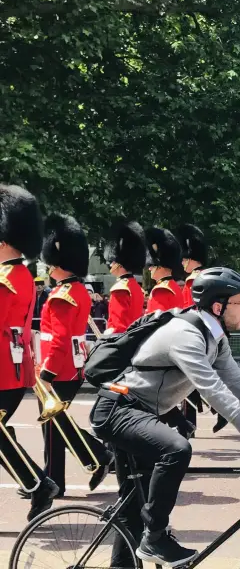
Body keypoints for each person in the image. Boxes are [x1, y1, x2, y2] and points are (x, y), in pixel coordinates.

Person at [90, 267, 240, 566]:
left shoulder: (215, 337)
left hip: (140, 413)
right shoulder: (186, 335)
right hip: (119, 409)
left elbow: (237, 384)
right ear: (218, 306)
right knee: (177, 449)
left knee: (133, 508)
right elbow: (211, 388)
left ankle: (134, 551)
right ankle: (156, 537)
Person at [39, 213, 114, 497]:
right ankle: (55, 479)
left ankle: (98, 455)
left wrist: (45, 374)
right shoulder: (78, 290)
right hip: (70, 366)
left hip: (58, 368)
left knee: (56, 426)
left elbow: (57, 340)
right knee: (54, 430)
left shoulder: (61, 295)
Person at [0, 184, 59, 520]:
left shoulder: (8, 277)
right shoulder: (20, 275)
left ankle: (37, 483)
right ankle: (37, 482)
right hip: (12, 366)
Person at [176, 224, 209, 427]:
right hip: (205, 332)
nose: (182, 263)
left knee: (186, 381)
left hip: (192, 332)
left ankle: (188, 423)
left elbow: (189, 308)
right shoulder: (205, 275)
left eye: (184, 259)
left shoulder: (191, 280)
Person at [104, 221, 146, 335]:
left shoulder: (120, 289)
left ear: (120, 263)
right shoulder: (136, 287)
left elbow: (118, 327)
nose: (110, 265)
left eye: (113, 261)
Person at [145, 227, 183, 312]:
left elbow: (157, 322)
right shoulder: (175, 287)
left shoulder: (161, 290)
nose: (150, 268)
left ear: (159, 265)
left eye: (152, 265)